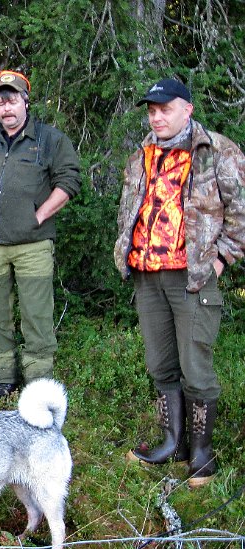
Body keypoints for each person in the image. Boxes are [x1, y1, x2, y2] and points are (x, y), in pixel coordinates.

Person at [115, 78, 245, 488]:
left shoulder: (217, 151)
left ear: (186, 109)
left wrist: (221, 259)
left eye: (165, 109)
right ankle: (173, 443)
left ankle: (202, 455)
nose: (156, 117)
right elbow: (130, 208)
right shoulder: (141, 155)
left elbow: (241, 211)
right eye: (152, 111)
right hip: (146, 274)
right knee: (160, 364)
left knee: (195, 368)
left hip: (192, 278)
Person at [0, 70, 81, 403]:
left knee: (37, 317)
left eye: (12, 100)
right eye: (0, 102)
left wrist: (38, 215)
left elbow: (68, 182)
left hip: (33, 247)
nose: (6, 108)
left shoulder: (50, 140)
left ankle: (37, 386)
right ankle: (3, 381)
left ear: (25, 101)